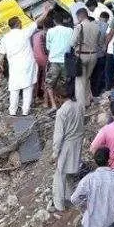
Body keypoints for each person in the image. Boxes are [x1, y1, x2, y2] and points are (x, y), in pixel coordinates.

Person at [0, 4, 52, 116]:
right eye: (20, 22)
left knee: (14, 89)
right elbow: (38, 21)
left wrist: (0, 64)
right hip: (27, 66)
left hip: (14, 67)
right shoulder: (24, 33)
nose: (22, 23)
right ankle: (25, 112)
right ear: (18, 24)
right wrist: (45, 12)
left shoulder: (5, 38)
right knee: (28, 88)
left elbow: (1, 53)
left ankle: (12, 112)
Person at [71, 147, 114, 227]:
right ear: (109, 160)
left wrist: (85, 207)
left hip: (92, 219)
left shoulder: (88, 179)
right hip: (110, 218)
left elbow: (74, 199)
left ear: (96, 161)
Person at [51, 83, 84, 212]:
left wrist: (55, 153)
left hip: (66, 145)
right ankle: (71, 198)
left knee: (60, 175)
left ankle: (59, 204)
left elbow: (58, 135)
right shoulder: (79, 106)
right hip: (77, 142)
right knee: (70, 174)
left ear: (59, 97)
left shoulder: (62, 112)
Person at [70, 8, 102, 108]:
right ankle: (87, 101)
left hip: (81, 56)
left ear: (80, 16)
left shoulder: (79, 27)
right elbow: (100, 42)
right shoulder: (96, 26)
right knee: (87, 78)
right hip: (93, 55)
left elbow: (72, 42)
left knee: (80, 81)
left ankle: (80, 105)